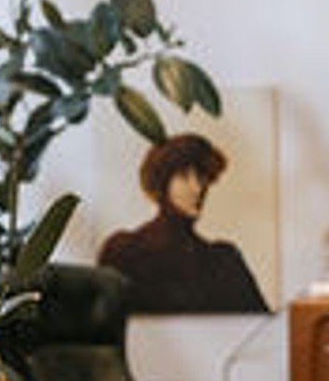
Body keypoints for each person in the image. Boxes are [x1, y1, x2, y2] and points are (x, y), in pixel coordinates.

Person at [97, 131, 267, 316]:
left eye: (202, 176)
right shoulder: (124, 252)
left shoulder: (224, 260)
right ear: (163, 183)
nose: (197, 188)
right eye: (184, 176)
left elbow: (262, 329)